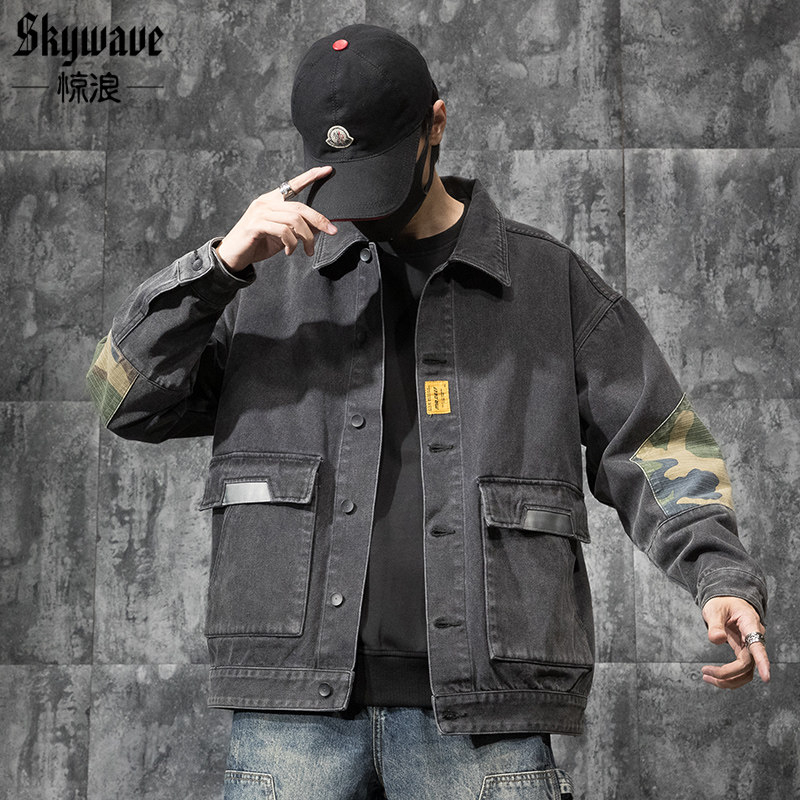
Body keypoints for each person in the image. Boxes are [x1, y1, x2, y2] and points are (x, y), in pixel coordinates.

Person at [86, 23, 770, 800]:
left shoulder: (546, 283)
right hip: (291, 717)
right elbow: (119, 397)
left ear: (435, 126)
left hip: (482, 720)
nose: (361, 209)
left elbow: (658, 440)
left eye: (377, 174)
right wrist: (218, 266)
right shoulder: (261, 283)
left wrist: (718, 573)